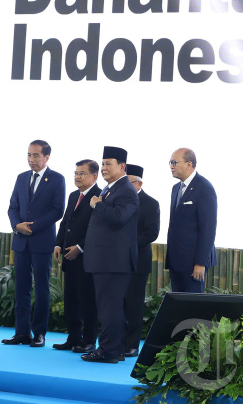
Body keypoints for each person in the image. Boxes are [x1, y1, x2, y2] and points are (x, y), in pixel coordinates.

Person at [3, 140, 65, 348]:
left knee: (41, 288)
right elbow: (12, 207)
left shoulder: (57, 179)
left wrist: (33, 227)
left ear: (47, 157)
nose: (31, 159)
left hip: (42, 241)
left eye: (36, 155)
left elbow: (57, 210)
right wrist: (16, 225)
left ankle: (39, 333)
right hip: (21, 241)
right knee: (21, 288)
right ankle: (21, 332)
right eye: (29, 155)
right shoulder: (21, 178)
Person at [82, 146, 138, 364]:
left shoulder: (126, 190)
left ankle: (108, 351)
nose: (104, 168)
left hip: (114, 261)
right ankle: (116, 349)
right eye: (103, 163)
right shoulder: (111, 189)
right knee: (109, 307)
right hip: (105, 260)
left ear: (122, 166)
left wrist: (97, 205)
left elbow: (119, 217)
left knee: (109, 308)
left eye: (108, 164)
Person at [52, 159, 101, 354]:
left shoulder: (100, 196)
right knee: (71, 300)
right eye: (76, 173)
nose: (77, 177)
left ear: (94, 177)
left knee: (88, 301)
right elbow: (65, 222)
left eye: (82, 173)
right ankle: (73, 338)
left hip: (87, 258)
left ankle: (89, 340)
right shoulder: (74, 195)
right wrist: (58, 244)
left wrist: (80, 247)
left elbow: (97, 228)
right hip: (68, 257)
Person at [167, 148, 217, 293]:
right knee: (178, 303)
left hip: (193, 263)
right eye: (170, 163)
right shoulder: (176, 188)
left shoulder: (204, 188)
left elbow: (208, 228)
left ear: (189, 164)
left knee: (193, 303)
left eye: (174, 162)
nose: (171, 166)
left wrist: (200, 262)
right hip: (176, 261)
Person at [123, 164, 160, 358]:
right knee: (116, 303)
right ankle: (115, 342)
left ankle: (131, 345)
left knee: (134, 304)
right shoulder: (117, 200)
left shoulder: (151, 203)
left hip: (138, 260)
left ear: (139, 184)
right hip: (115, 261)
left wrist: (126, 243)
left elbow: (151, 233)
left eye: (129, 183)